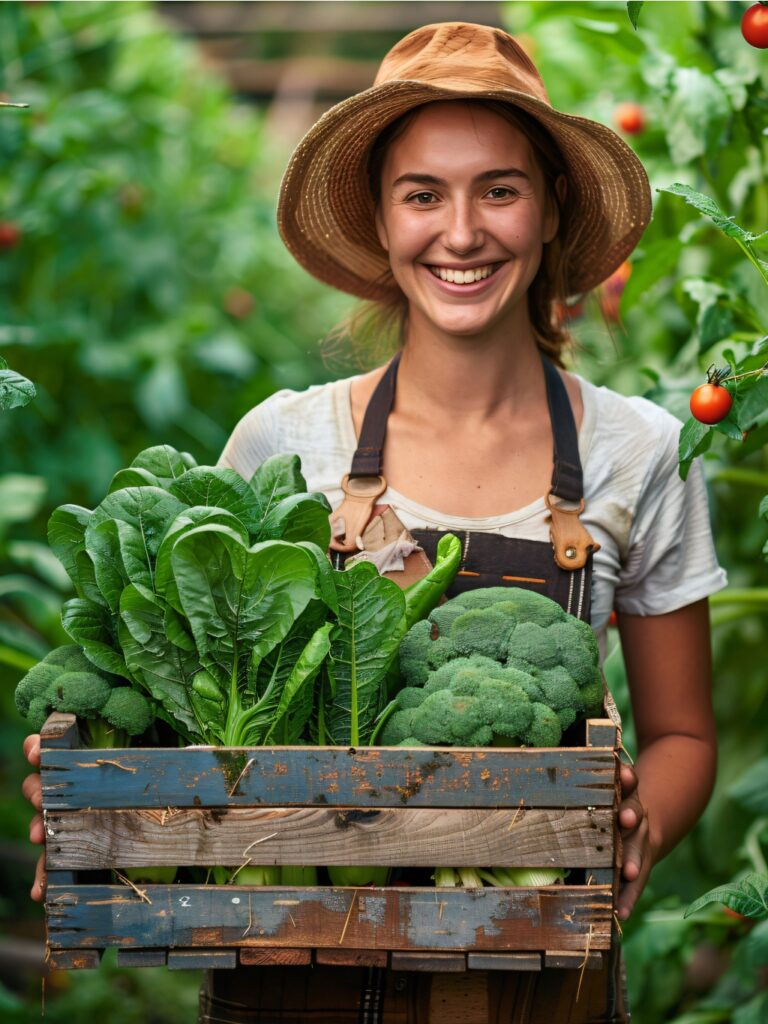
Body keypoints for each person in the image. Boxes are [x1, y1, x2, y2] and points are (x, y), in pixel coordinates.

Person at [22, 21, 726, 1024]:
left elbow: (686, 733)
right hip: (288, 977)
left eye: (500, 188)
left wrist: (637, 822)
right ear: (381, 217)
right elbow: (194, 721)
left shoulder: (642, 449)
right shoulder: (282, 445)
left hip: (541, 976)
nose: (463, 231)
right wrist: (97, 793)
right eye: (422, 193)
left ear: (550, 206)